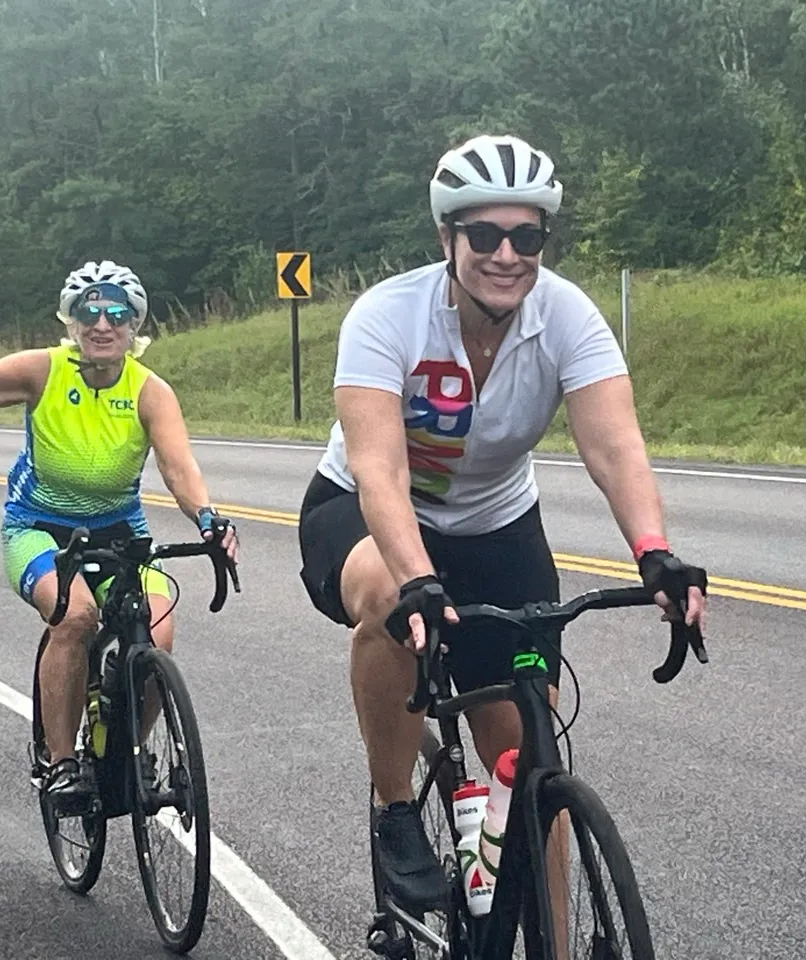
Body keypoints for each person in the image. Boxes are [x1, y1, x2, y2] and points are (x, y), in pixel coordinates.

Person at [297, 134, 708, 912]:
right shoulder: (388, 316)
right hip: (368, 514)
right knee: (390, 595)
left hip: (495, 530)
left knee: (524, 758)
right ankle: (394, 811)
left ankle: (544, 933)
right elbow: (379, 468)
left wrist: (655, 553)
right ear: (447, 238)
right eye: (484, 235)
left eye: (527, 237)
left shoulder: (565, 315)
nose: (507, 255)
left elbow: (615, 445)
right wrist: (419, 578)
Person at [0, 257, 239, 814]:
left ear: (134, 325)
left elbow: (179, 468)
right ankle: (62, 763)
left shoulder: (150, 390)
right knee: (76, 616)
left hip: (119, 533)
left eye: (116, 312)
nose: (102, 323)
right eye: (90, 311)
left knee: (158, 632)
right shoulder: (44, 369)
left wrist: (208, 518)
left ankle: (129, 745)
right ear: (71, 321)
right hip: (38, 529)